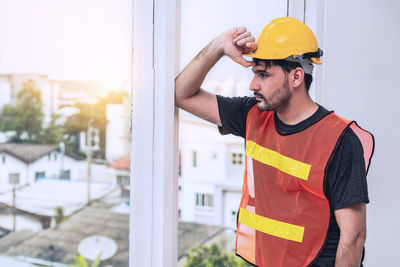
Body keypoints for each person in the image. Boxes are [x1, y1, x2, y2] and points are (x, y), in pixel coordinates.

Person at [175, 17, 374, 267]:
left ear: (296, 77)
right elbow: (181, 93)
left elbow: (353, 237)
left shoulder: (339, 139)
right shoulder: (252, 115)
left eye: (263, 74)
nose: (252, 84)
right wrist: (218, 47)